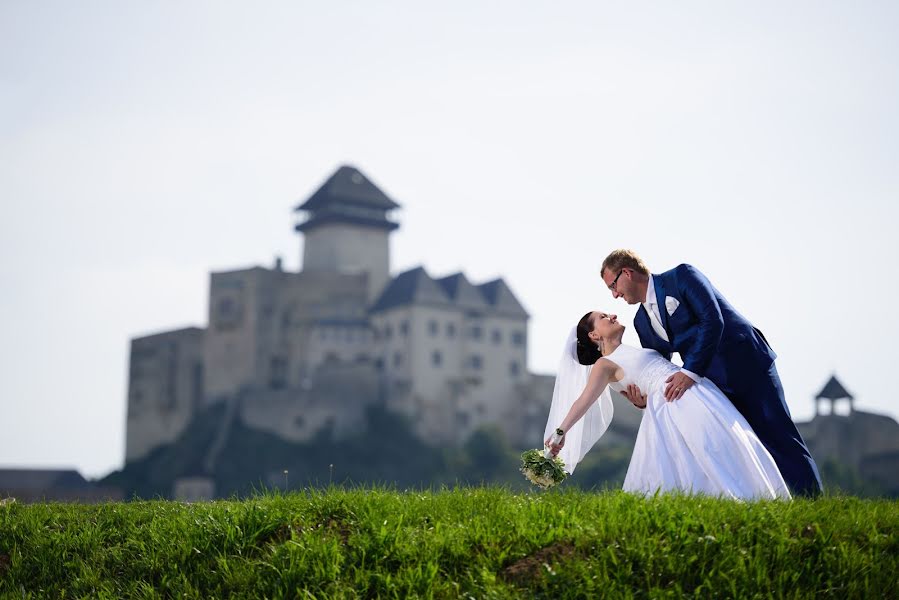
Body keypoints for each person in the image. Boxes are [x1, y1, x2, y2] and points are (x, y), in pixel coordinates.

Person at [599, 250, 821, 496]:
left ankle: (813, 502)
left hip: (749, 366)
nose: (614, 294)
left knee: (780, 437)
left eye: (613, 285)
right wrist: (645, 397)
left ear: (627, 273)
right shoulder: (642, 321)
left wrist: (690, 371)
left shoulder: (682, 276)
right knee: (739, 445)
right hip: (712, 387)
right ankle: (764, 499)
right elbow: (659, 365)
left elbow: (712, 320)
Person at [544, 311, 790, 499]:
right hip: (676, 401)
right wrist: (561, 431)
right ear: (594, 335)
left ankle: (759, 495)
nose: (612, 315)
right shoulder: (605, 364)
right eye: (603, 317)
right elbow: (584, 400)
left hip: (696, 389)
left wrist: (644, 402)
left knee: (729, 440)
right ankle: (733, 496)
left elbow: (643, 388)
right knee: (708, 447)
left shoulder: (635, 349)